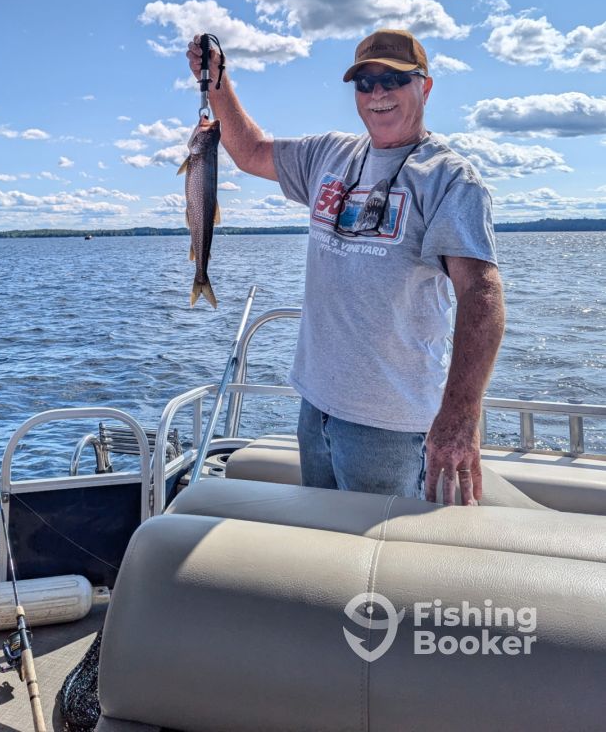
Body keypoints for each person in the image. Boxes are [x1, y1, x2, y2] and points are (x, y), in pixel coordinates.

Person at [187, 28, 505, 506]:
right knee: (326, 539)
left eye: (393, 79)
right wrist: (217, 81)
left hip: (391, 426)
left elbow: (481, 296)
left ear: (425, 87)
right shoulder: (329, 154)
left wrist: (460, 417)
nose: (377, 93)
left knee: (385, 549)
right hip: (316, 407)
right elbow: (250, 151)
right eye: (365, 82)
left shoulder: (449, 178)